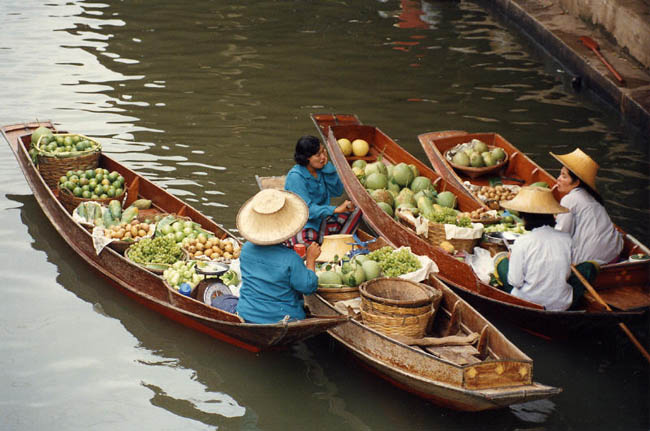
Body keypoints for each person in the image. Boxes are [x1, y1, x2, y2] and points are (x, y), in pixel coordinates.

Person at [494, 186, 597, 311]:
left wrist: (512, 260)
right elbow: (568, 273)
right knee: (589, 266)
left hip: (527, 302)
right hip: (562, 304)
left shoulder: (522, 242)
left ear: (525, 217)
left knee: (501, 261)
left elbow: (516, 282)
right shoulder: (567, 239)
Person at [234, 188, 322, 324]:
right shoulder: (290, 258)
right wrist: (311, 259)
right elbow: (308, 287)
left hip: (247, 313)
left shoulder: (246, 249)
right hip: (283, 318)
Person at [284, 135, 362, 247]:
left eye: (323, 152)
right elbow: (307, 211)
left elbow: (337, 191)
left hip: (322, 221)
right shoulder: (296, 177)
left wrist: (327, 168)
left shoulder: (321, 170)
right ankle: (333, 243)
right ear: (307, 158)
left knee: (357, 210)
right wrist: (335, 210)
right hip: (304, 225)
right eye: (318, 155)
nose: (323, 157)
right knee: (304, 242)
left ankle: (339, 243)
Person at [550, 148, 623, 265]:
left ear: (576, 182)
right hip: (613, 254)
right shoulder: (592, 196)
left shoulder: (569, 199)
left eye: (564, 176)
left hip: (590, 261)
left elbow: (561, 234)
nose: (558, 178)